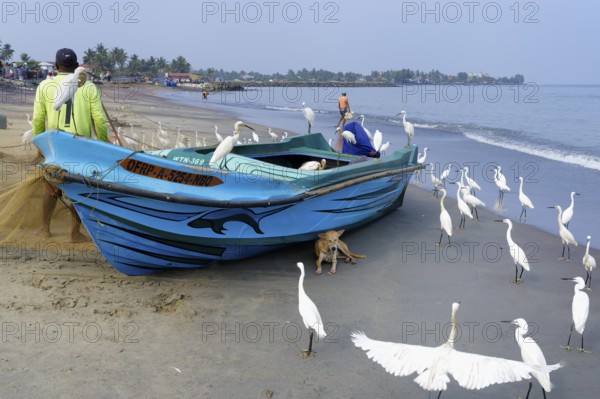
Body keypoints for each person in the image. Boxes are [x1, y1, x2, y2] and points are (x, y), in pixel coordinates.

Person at [32, 48, 108, 243]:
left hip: (55, 145)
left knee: (50, 187)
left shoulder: (45, 86)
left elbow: (38, 119)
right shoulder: (89, 87)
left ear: (57, 66)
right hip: (80, 146)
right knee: (79, 190)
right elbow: (99, 120)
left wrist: (40, 146)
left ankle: (44, 229)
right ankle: (74, 234)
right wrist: (104, 143)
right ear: (76, 66)